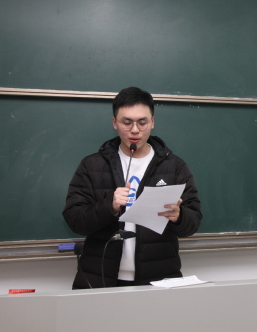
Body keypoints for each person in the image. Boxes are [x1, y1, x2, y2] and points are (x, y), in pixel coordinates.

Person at [63, 87, 202, 289]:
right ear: (115, 123)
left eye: (142, 123)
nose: (135, 130)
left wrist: (179, 216)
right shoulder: (92, 165)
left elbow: (194, 221)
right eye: (127, 123)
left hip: (158, 279)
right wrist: (109, 206)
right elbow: (74, 219)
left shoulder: (174, 166)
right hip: (100, 277)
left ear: (152, 122)